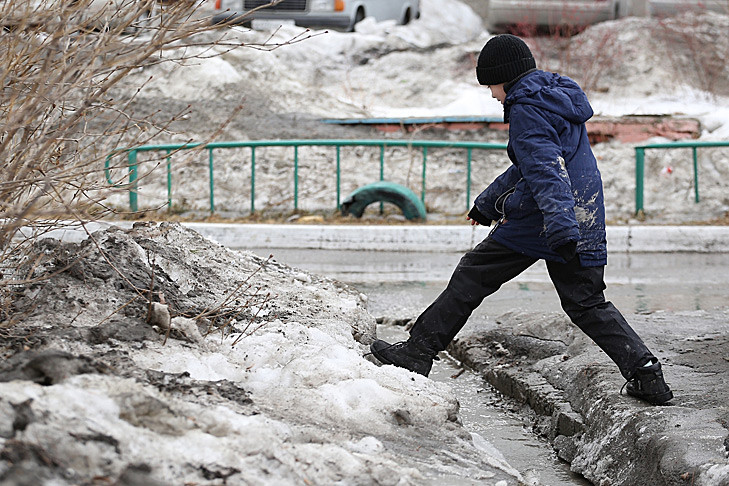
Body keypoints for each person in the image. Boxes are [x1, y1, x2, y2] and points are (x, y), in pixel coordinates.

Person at [368, 34, 673, 406]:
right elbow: (529, 167)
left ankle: (417, 352)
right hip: (583, 209)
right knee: (586, 301)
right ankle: (647, 373)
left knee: (472, 274)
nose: (494, 95)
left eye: (492, 86)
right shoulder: (556, 100)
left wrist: (560, 227)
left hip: (547, 218)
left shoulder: (527, 108)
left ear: (505, 77)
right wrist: (487, 204)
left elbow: (546, 170)